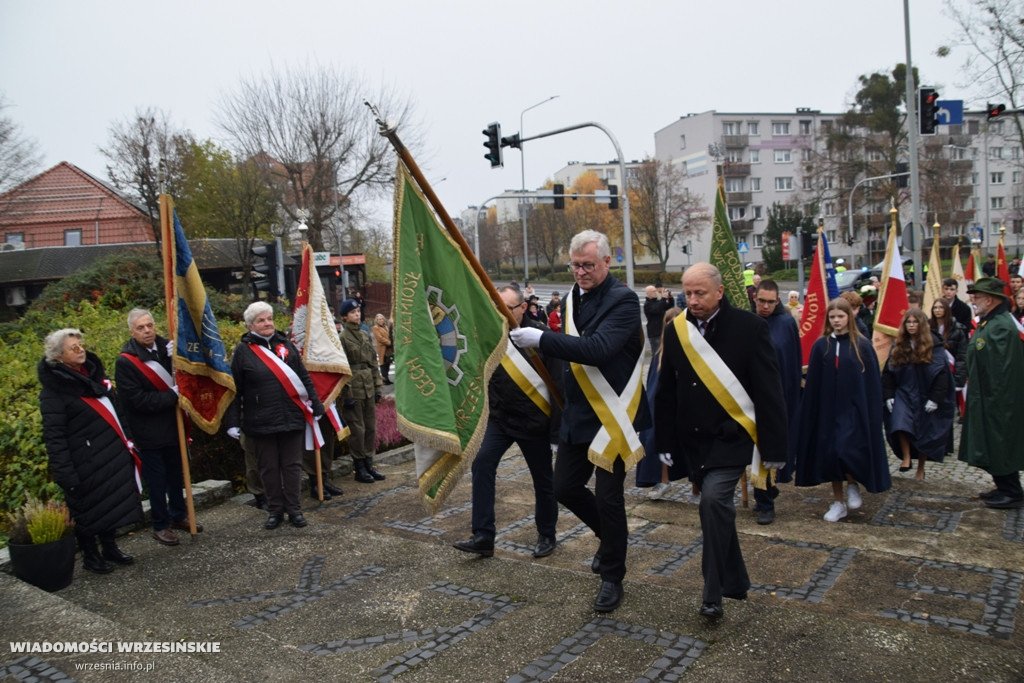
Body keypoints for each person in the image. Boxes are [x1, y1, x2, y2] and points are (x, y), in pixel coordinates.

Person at [510, 229, 649, 614]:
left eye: (589, 264)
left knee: (608, 497)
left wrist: (541, 338)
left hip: (612, 414)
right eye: (575, 265)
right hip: (578, 413)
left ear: (607, 261)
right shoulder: (573, 298)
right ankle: (611, 540)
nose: (581, 272)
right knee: (565, 488)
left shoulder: (624, 301)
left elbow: (598, 349)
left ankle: (612, 575)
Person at [654, 263, 787, 619]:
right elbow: (666, 389)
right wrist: (663, 440)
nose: (692, 300)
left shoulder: (750, 328)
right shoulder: (676, 330)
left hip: (732, 438)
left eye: (699, 293)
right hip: (694, 440)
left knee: (712, 501)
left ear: (719, 292)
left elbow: (769, 391)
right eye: (687, 293)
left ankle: (712, 593)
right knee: (717, 511)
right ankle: (736, 581)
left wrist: (775, 448)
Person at [453, 286, 561, 559]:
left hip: (535, 421)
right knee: (482, 463)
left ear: (523, 308)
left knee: (543, 479)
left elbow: (559, 385)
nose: (499, 314)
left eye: (506, 309)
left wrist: (557, 433)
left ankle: (547, 533)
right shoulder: (491, 335)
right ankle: (483, 535)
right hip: (501, 419)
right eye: (496, 308)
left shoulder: (540, 336)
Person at [38, 328, 141, 573]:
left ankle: (110, 547)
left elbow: (118, 413)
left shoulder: (95, 378)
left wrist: (128, 441)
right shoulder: (54, 392)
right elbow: (55, 437)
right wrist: (65, 473)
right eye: (73, 348)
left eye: (81, 344)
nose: (81, 349)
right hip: (82, 462)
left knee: (107, 505)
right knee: (85, 511)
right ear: (58, 357)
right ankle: (91, 556)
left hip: (109, 456)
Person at [226, 302, 324, 530]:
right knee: (268, 468)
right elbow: (235, 389)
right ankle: (275, 511)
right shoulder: (242, 351)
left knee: (292, 467)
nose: (267, 323)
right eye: (261, 320)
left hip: (291, 417)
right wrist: (232, 421)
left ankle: (295, 510)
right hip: (260, 421)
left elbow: (303, 377)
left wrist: (316, 405)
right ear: (250, 325)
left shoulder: (286, 345)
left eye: (269, 318)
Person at [796, 298, 891, 522]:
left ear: (849, 317)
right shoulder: (822, 345)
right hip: (828, 411)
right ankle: (838, 502)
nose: (836, 321)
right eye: (832, 317)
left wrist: (872, 410)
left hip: (854, 410)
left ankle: (852, 483)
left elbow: (870, 382)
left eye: (840, 316)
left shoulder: (862, 345)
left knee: (846, 448)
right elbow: (815, 382)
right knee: (830, 455)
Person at [115, 309, 202, 546]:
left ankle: (178, 515)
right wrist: (170, 396)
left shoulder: (168, 349)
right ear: (132, 332)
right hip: (149, 432)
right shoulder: (126, 362)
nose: (147, 331)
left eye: (150, 326)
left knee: (177, 477)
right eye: (141, 328)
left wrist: (181, 354)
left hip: (174, 427)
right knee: (157, 482)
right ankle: (160, 525)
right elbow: (136, 400)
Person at [959, 277, 1024, 508]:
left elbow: (1002, 369)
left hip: (997, 398)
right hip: (986, 395)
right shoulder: (991, 322)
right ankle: (1004, 486)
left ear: (990, 299)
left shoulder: (1001, 326)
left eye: (976, 297)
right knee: (992, 443)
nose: (973, 301)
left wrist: (992, 398)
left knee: (1000, 443)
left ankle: (1013, 492)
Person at [882, 309, 956, 480]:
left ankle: (920, 468)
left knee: (923, 432)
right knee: (899, 423)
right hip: (904, 392)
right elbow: (888, 372)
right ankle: (906, 457)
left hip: (925, 394)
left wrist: (935, 399)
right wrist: (888, 395)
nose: (912, 325)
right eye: (908, 322)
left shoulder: (934, 345)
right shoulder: (899, 344)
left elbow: (941, 373)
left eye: (915, 322)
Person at [751, 279, 802, 525]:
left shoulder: (786, 324)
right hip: (750, 397)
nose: (766, 306)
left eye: (771, 302)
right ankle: (763, 496)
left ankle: (766, 498)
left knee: (770, 450)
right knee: (754, 451)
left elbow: (792, 362)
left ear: (778, 301)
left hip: (778, 397)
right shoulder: (746, 322)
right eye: (762, 301)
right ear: (754, 298)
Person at [635, 306, 689, 499]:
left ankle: (699, 486)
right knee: (656, 439)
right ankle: (662, 480)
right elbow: (653, 386)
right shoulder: (660, 354)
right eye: (669, 323)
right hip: (662, 407)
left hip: (686, 406)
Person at [337, 298, 385, 484]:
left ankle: (369, 463)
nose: (357, 314)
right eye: (353, 312)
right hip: (354, 388)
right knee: (358, 430)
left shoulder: (365, 335)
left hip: (368, 387)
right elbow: (343, 368)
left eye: (358, 311)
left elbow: (373, 363)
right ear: (345, 317)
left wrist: (378, 387)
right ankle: (360, 467)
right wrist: (346, 394)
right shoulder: (342, 338)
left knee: (370, 428)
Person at [929, 297, 968, 419]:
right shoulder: (927, 327)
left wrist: (959, 379)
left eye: (941, 307)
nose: (938, 310)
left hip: (951, 371)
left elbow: (962, 356)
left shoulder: (957, 329)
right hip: (933, 371)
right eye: (935, 307)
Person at [644, 285, 672, 357]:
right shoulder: (647, 304)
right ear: (648, 293)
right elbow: (656, 310)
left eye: (655, 290)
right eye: (653, 291)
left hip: (663, 330)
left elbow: (669, 307)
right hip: (654, 333)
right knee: (657, 353)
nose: (655, 292)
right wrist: (663, 298)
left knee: (665, 353)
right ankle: (655, 367)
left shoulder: (657, 302)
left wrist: (670, 298)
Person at [372, 313, 393, 385]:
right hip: (382, 348)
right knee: (383, 364)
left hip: (388, 349)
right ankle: (384, 379)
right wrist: (389, 343)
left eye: (381, 319)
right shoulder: (375, 328)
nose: (380, 320)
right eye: (379, 319)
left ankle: (387, 379)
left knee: (388, 363)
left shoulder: (386, 327)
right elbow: (380, 338)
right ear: (376, 321)